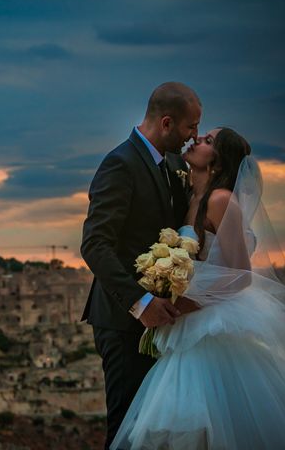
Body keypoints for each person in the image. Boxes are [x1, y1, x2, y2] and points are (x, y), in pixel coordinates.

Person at [111, 127, 285, 449]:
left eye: (208, 141)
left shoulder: (221, 200)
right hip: (188, 315)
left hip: (211, 318)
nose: (197, 140)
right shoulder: (191, 197)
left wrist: (183, 304)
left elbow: (240, 274)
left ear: (218, 164)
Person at [80, 82, 201, 449]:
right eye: (189, 127)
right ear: (166, 123)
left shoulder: (178, 165)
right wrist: (141, 303)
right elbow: (95, 245)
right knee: (128, 429)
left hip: (165, 320)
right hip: (121, 321)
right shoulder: (120, 164)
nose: (193, 137)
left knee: (158, 430)